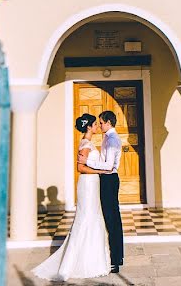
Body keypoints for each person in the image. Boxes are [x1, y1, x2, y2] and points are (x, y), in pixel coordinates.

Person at [32, 114, 111, 281]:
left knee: (93, 217)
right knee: (87, 218)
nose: (97, 126)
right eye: (95, 124)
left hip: (92, 183)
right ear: (89, 126)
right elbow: (80, 167)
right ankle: (80, 262)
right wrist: (100, 171)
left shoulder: (88, 143)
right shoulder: (86, 144)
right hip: (88, 184)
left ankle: (92, 259)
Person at [79, 110, 123, 274]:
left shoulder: (112, 140)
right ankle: (117, 257)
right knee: (111, 219)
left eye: (101, 123)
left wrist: (87, 161)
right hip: (106, 179)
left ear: (108, 123)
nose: (100, 125)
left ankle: (115, 261)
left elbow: (108, 166)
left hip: (109, 180)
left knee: (112, 220)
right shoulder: (107, 138)